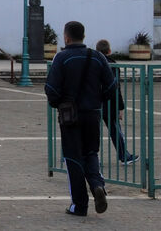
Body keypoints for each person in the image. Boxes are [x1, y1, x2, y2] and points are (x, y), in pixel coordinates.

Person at [45, 20, 116, 217]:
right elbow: (111, 86)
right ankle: (97, 185)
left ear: (66, 37)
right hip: (92, 112)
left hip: (70, 115)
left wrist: (59, 103)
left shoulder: (61, 58)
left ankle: (79, 205)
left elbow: (51, 89)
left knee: (73, 157)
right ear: (83, 36)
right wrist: (97, 99)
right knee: (91, 152)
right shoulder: (97, 57)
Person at [94, 40, 138, 165]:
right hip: (109, 102)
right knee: (115, 130)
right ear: (109, 51)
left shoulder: (93, 63)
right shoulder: (112, 65)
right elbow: (115, 87)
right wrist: (120, 106)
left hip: (94, 101)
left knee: (91, 131)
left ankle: (91, 158)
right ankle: (124, 156)